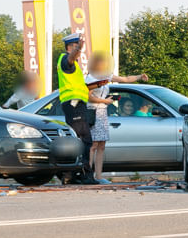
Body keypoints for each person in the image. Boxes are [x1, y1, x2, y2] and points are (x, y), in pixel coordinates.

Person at [85, 52, 148, 184]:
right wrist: (103, 101)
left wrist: (139, 76)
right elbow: (87, 96)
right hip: (92, 111)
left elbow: (125, 79)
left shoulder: (106, 76)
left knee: (102, 145)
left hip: (102, 113)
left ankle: (99, 176)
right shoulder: (90, 78)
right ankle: (88, 175)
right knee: (93, 145)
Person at [57, 33, 98, 184]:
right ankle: (84, 176)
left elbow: (81, 87)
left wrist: (98, 84)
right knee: (85, 140)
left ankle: (70, 175)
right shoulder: (65, 60)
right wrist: (79, 48)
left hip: (76, 105)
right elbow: (70, 58)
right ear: (70, 47)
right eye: (77, 48)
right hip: (73, 104)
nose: (79, 52)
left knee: (77, 140)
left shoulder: (74, 68)